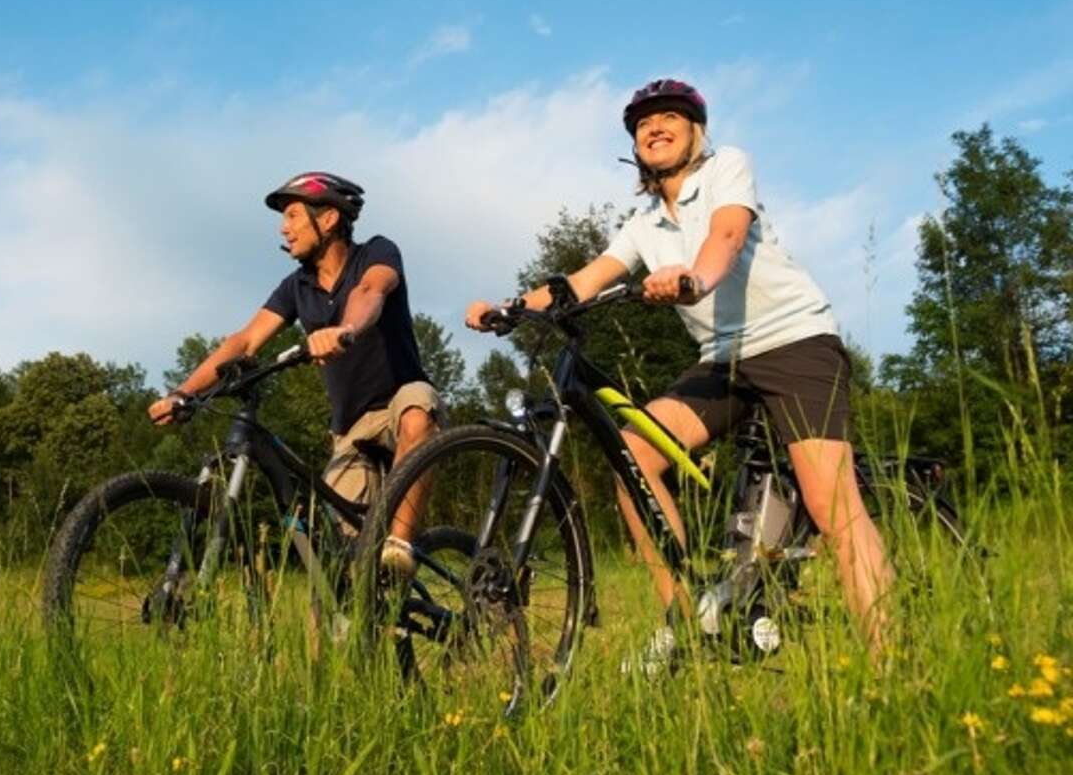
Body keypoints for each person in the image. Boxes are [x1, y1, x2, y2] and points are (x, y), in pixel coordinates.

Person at [465, 79, 896, 657]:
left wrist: (693, 279)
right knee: (635, 455)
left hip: (793, 341)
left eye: (670, 116)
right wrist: (511, 308)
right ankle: (688, 617)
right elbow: (583, 281)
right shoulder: (643, 225)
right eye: (643, 123)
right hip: (722, 362)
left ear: (697, 131)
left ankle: (894, 659)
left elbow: (727, 234)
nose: (655, 127)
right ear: (635, 146)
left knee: (831, 505)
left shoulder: (725, 170)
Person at [149, 171, 440, 578]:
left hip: (397, 401)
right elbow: (246, 340)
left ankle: (399, 548)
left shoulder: (376, 252)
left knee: (417, 414)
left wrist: (346, 330)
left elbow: (370, 292)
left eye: (292, 216)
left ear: (328, 219)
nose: (284, 230)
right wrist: (183, 394)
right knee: (338, 573)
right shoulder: (295, 286)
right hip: (350, 430)